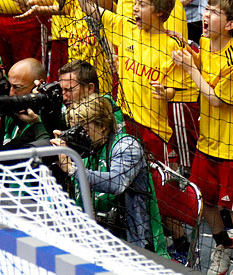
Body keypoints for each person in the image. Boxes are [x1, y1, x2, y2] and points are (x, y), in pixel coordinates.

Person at [171, 0, 233, 275]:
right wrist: (187, 51)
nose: (206, 16)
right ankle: (223, 244)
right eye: (206, 9)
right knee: (204, 200)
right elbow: (203, 66)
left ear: (230, 24)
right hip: (208, 140)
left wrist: (190, 68)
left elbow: (217, 98)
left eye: (215, 12)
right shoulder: (206, 43)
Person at [76, 0, 198, 165]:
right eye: (134, 3)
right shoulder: (126, 28)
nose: (134, 8)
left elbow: (185, 91)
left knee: (155, 187)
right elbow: (87, 6)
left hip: (154, 132)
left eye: (141, 4)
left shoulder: (174, 47)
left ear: (159, 11)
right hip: (124, 122)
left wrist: (166, 93)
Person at [53, 94, 168, 256]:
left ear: (102, 127)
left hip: (135, 244)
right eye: (74, 130)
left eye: (83, 130)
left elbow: (117, 183)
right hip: (96, 240)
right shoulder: (85, 149)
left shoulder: (126, 145)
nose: (78, 136)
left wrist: (73, 169)